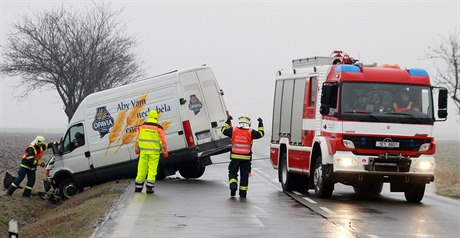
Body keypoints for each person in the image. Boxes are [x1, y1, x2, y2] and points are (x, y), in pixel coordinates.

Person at [221, 113, 264, 198]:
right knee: (244, 176)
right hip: (246, 159)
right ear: (249, 122)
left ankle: (233, 186)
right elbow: (261, 134)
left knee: (233, 173)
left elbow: (223, 130)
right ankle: (243, 193)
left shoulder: (233, 130)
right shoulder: (251, 132)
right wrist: (260, 123)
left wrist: (228, 121)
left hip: (234, 158)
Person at [134, 110, 168, 194]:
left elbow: (137, 140)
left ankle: (138, 188)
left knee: (141, 169)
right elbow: (163, 142)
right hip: (154, 153)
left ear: (149, 117)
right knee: (152, 170)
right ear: (156, 117)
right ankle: (149, 187)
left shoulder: (142, 127)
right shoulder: (158, 128)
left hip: (144, 152)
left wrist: (137, 151)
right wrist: (165, 152)